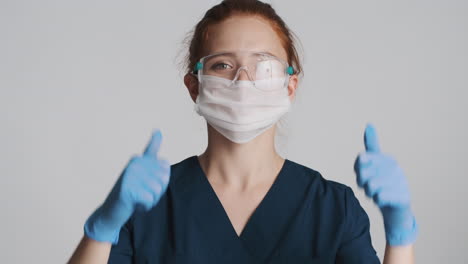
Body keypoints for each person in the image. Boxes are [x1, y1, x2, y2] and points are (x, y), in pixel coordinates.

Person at [68, 0, 418, 263]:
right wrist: (102, 229)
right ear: (194, 85)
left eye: (264, 66)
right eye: (223, 65)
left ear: (289, 85)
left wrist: (400, 237)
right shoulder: (148, 205)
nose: (244, 80)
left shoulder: (331, 208)